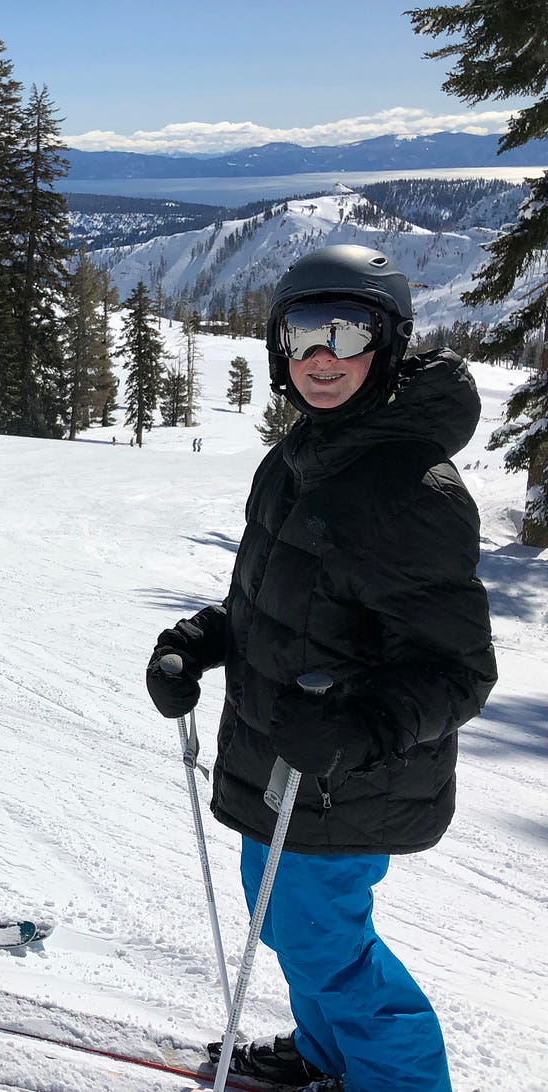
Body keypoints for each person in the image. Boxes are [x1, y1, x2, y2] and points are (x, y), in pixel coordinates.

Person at [144, 245, 495, 1092]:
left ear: (390, 344)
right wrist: (200, 641)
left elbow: (457, 670)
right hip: (280, 764)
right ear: (278, 348)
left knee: (325, 944)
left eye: (349, 333)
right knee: (288, 926)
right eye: (303, 334)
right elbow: (280, 601)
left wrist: (358, 729)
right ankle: (327, 1056)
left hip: (345, 779)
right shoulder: (301, 455)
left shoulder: (411, 488)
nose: (322, 357)